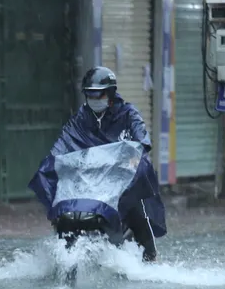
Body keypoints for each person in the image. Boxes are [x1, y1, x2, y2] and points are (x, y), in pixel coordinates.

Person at [53, 66, 166, 262]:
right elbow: (64, 141)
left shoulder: (128, 114)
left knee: (137, 210)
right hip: (91, 176)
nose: (94, 99)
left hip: (124, 176)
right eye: (90, 94)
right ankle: (62, 255)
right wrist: (55, 159)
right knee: (63, 208)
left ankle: (150, 255)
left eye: (99, 94)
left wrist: (137, 152)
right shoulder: (81, 117)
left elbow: (142, 138)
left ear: (111, 93)